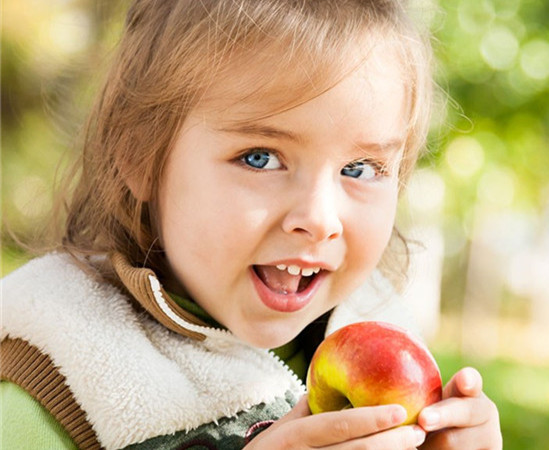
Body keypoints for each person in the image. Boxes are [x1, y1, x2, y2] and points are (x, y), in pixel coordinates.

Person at [1, 1, 502, 449]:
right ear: (140, 155)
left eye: (360, 169)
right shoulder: (55, 376)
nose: (319, 219)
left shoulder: (378, 338)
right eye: (260, 158)